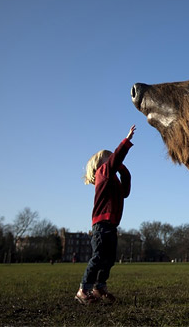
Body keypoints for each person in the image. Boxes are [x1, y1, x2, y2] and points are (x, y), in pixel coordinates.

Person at [75, 125, 135, 305]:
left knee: (109, 259)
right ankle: (83, 289)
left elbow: (125, 191)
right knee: (99, 256)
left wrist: (124, 171)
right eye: (108, 157)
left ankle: (99, 287)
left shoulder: (113, 179)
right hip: (101, 225)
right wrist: (126, 141)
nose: (112, 159)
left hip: (111, 225)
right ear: (100, 163)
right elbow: (115, 160)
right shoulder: (103, 173)